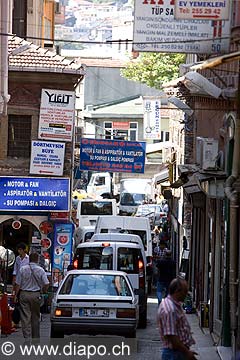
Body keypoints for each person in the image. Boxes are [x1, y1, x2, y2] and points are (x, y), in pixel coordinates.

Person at [158, 277, 198, 360]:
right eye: (185, 292)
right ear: (177, 291)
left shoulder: (174, 305)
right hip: (174, 354)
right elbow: (171, 336)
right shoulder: (170, 309)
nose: (186, 294)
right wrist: (187, 353)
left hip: (178, 352)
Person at [15, 252, 49, 341]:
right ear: (37, 259)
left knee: (25, 316)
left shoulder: (23, 269)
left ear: (29, 259)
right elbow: (46, 283)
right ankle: (35, 338)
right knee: (35, 316)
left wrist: (15, 295)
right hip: (36, 295)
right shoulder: (41, 270)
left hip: (24, 294)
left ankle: (27, 337)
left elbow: (17, 284)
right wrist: (43, 290)